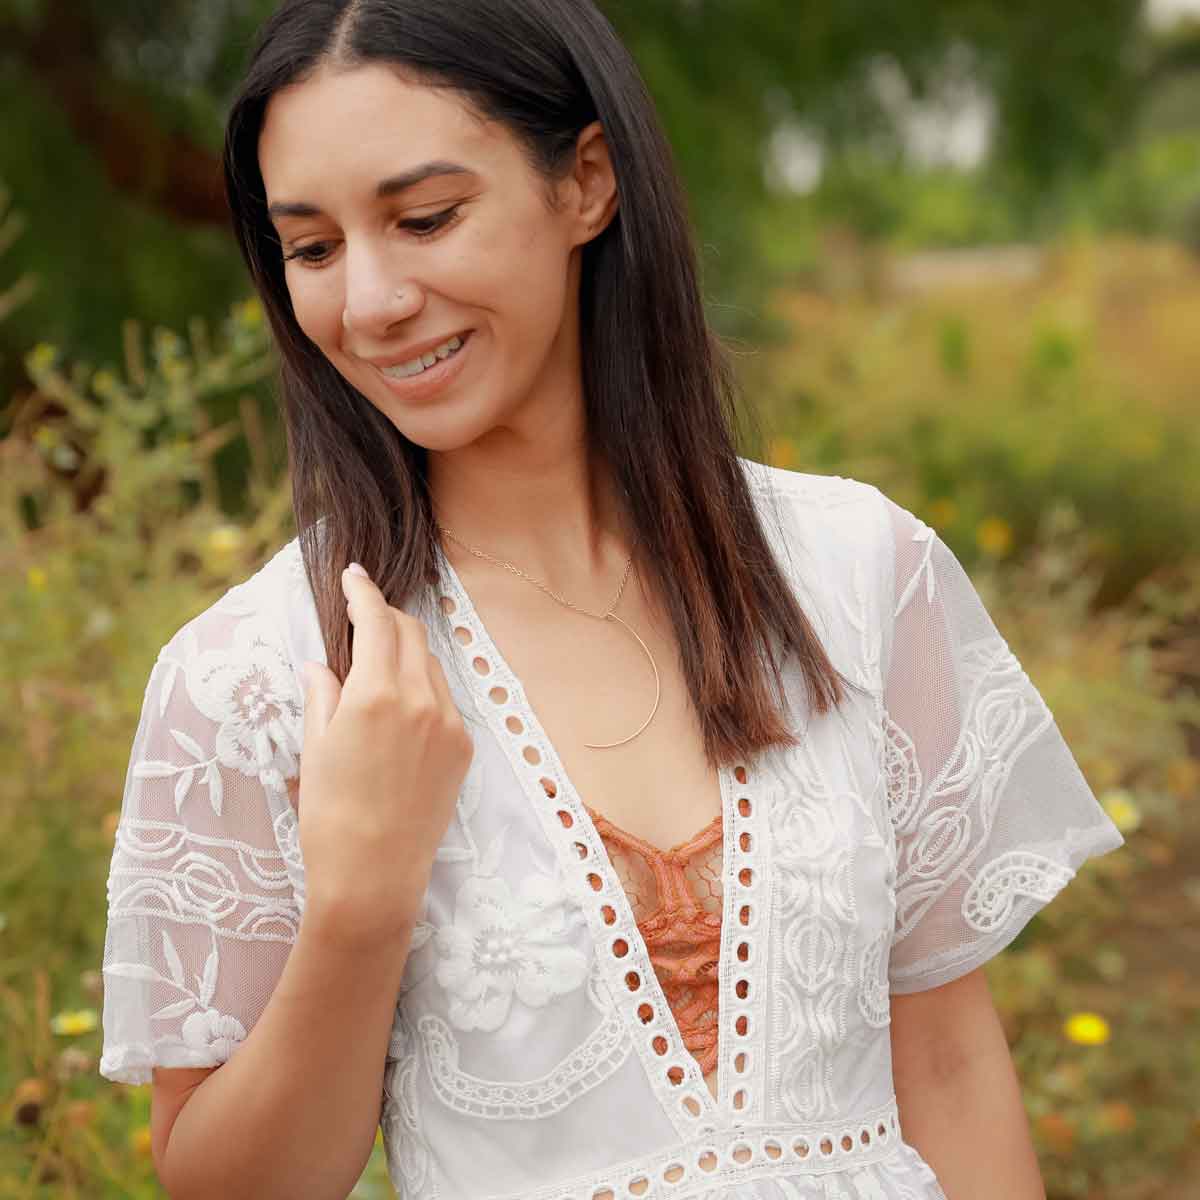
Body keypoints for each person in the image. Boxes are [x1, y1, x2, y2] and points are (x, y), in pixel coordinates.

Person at [97, 2, 1126, 1197]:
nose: (369, 302)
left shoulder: (858, 572)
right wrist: (360, 902)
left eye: (424, 218)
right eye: (314, 249)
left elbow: (947, 1065)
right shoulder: (262, 674)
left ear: (587, 181)